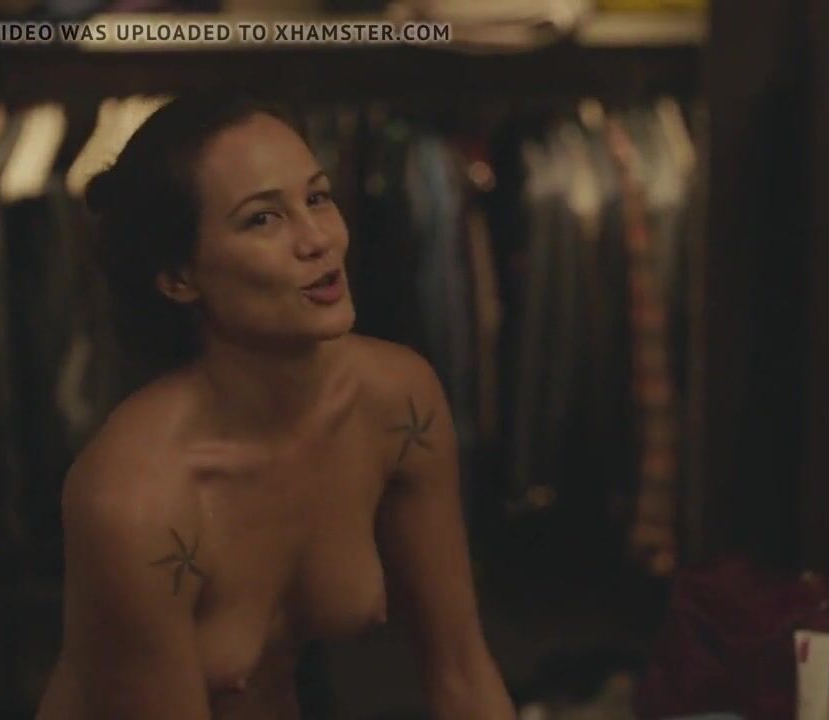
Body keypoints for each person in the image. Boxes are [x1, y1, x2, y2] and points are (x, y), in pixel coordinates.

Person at [34, 91, 516, 719]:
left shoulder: (397, 402)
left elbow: (462, 674)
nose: (318, 240)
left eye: (317, 198)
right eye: (263, 219)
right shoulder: (134, 500)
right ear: (179, 277)